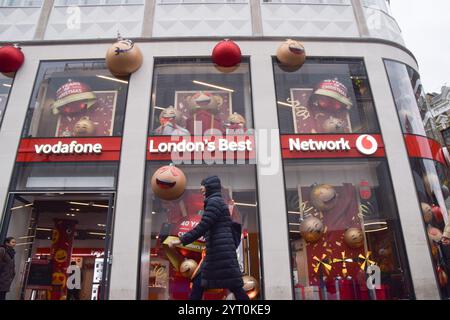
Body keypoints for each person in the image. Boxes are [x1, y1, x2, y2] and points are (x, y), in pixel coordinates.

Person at [169, 175, 249, 300]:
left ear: (210, 187)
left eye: (203, 187)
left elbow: (203, 226)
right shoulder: (216, 201)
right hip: (220, 252)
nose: (201, 190)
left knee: (201, 284)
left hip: (219, 253)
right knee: (229, 285)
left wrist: (181, 239)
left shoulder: (214, 202)